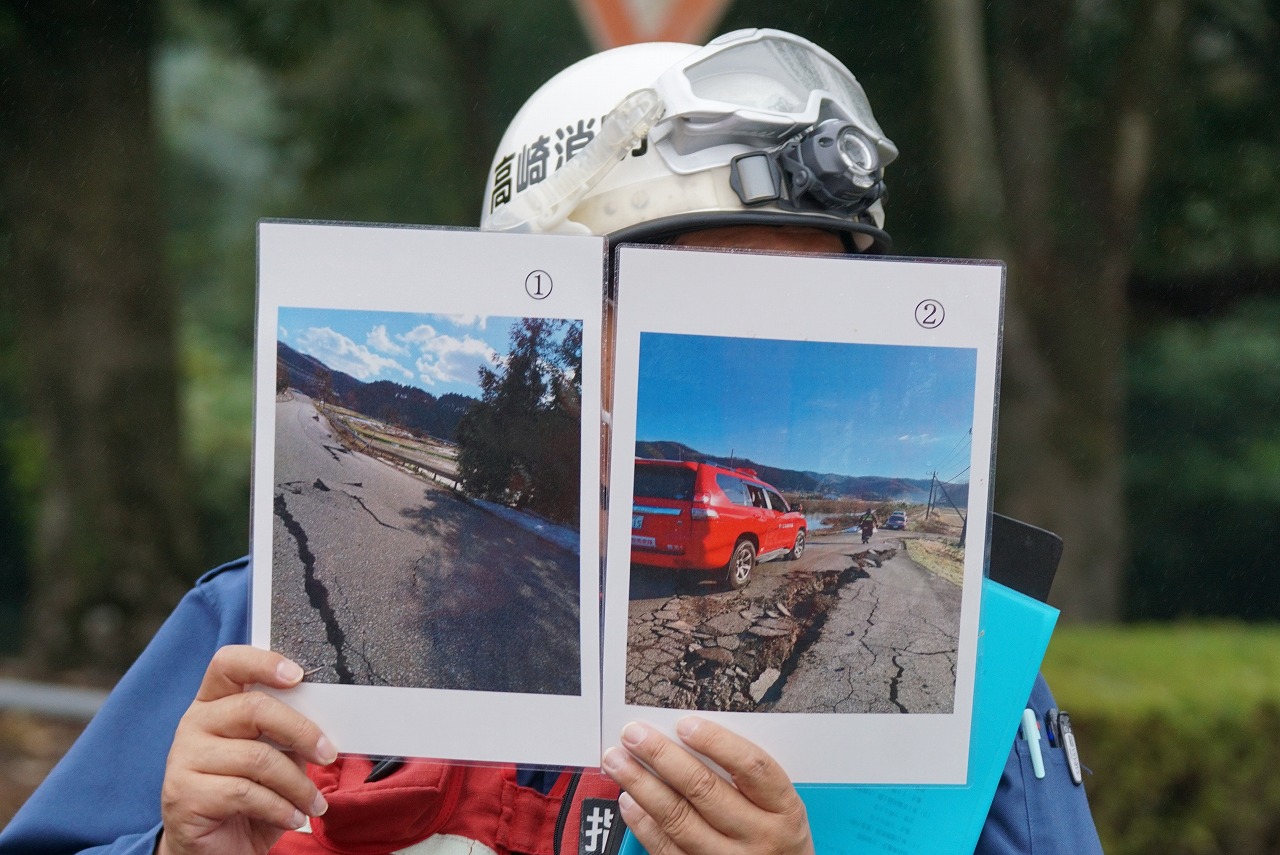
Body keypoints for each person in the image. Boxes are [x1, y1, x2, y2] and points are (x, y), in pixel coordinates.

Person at [0, 28, 1104, 855]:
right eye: (691, 298)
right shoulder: (253, 628)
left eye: (813, 308)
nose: (758, 347)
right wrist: (170, 850)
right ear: (540, 305)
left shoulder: (971, 688)